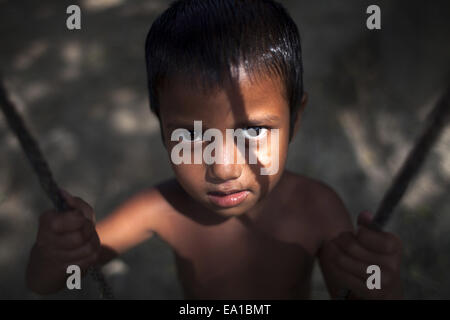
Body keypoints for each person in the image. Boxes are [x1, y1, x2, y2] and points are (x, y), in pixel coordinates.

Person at [26, 0, 402, 299]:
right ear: (161, 130)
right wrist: (57, 253)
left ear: (295, 119)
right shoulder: (161, 208)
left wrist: (377, 287)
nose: (222, 168)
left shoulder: (318, 208)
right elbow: (51, 282)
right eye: (191, 136)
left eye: (253, 130)